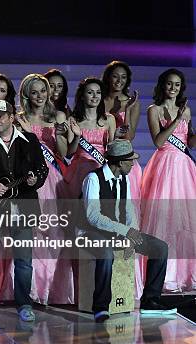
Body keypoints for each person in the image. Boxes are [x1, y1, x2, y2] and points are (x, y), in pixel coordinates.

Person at [0, 99, 48, 322]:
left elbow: (42, 170)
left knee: (23, 260)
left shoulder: (29, 140)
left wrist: (34, 181)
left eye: (0, 116)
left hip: (23, 207)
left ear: (11, 117)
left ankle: (24, 302)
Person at [80, 139, 175, 322]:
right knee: (106, 254)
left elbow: (130, 210)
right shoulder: (93, 179)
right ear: (120, 162)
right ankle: (100, 307)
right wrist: (125, 231)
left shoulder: (124, 179)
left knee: (160, 248)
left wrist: (133, 233)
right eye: (130, 161)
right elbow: (93, 217)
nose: (133, 164)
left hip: (119, 231)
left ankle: (150, 300)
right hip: (92, 233)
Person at [14, 73, 73, 304]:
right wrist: (27, 134)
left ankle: (52, 290)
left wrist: (59, 135)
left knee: (54, 235)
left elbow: (64, 152)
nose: (40, 96)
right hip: (29, 180)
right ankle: (31, 291)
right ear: (27, 94)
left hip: (53, 179)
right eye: (35, 92)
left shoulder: (57, 116)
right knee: (31, 236)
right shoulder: (18, 118)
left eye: (43, 91)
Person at [141, 68, 195, 293]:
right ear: (163, 85)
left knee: (185, 223)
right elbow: (159, 141)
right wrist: (177, 120)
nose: (173, 88)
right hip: (164, 166)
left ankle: (186, 276)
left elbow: (189, 142)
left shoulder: (187, 110)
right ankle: (164, 279)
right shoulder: (154, 110)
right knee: (164, 222)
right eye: (170, 84)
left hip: (183, 167)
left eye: (177, 85)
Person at [102, 61, 142, 200]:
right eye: (115, 76)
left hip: (123, 159)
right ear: (108, 77)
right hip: (100, 155)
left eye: (123, 77)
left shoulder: (133, 103)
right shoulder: (98, 100)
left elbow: (129, 137)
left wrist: (127, 110)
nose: (119, 81)